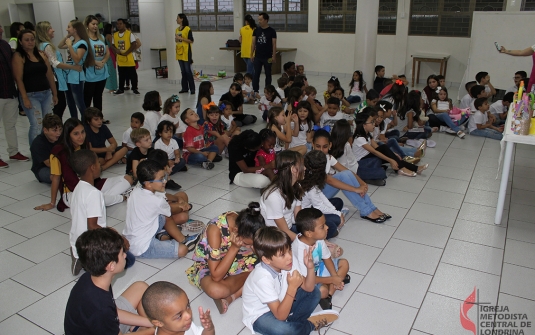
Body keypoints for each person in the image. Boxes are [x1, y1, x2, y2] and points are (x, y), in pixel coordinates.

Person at [241, 226, 339, 335]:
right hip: (261, 315)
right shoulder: (262, 278)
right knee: (284, 331)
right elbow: (280, 316)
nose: (289, 257)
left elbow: (309, 287)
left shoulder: (288, 263)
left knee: (315, 292)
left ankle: (294, 323)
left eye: (289, 250)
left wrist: (310, 267)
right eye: (282, 255)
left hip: (281, 304)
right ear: (266, 260)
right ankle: (310, 325)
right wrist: (292, 288)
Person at [64, 228, 154, 335]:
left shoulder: (94, 276)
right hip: (104, 324)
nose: (125, 255)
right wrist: (155, 329)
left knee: (140, 287)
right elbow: (107, 313)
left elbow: (116, 313)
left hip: (103, 323)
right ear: (111, 266)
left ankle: (142, 327)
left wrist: (151, 323)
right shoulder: (101, 308)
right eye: (122, 254)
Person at [34, 118, 132, 212]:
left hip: (92, 184)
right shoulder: (58, 152)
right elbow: (56, 178)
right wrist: (52, 203)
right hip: (72, 192)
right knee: (95, 198)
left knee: (128, 179)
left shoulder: (84, 146)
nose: (81, 136)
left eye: (83, 132)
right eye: (76, 134)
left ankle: (101, 199)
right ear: (68, 135)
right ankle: (114, 198)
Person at [186, 202, 265, 314]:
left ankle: (231, 297)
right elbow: (216, 276)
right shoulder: (215, 230)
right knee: (216, 290)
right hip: (210, 265)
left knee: (270, 264)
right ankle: (251, 278)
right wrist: (234, 248)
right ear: (235, 231)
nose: (250, 247)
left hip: (238, 258)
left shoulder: (247, 223)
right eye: (247, 244)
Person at [68, 149, 135, 275]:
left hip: (76, 240)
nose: (101, 166)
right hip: (90, 244)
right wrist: (118, 238)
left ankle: (78, 255)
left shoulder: (78, 188)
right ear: (92, 168)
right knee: (129, 259)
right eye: (99, 163)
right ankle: (86, 261)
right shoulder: (94, 193)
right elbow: (92, 226)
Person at [123, 160, 200, 259]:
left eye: (164, 177)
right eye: (161, 179)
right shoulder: (156, 201)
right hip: (142, 247)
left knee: (163, 214)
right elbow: (171, 211)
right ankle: (183, 240)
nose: (165, 181)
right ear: (148, 184)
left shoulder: (136, 191)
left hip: (131, 237)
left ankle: (163, 234)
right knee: (182, 250)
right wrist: (183, 207)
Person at [311, 131, 390, 223]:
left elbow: (347, 171)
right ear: (312, 144)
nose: (321, 150)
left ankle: (372, 208)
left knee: (346, 173)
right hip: (312, 198)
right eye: (318, 146)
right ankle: (366, 211)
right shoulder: (311, 160)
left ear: (330, 145)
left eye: (324, 146)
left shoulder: (328, 157)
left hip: (321, 192)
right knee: (343, 176)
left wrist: (362, 183)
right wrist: (355, 189)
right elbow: (329, 180)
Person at [293, 208, 350, 310]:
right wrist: (333, 279)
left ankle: (329, 293)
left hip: (318, 268)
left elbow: (327, 258)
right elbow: (307, 279)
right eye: (322, 227)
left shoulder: (318, 239)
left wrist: (334, 276)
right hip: (306, 279)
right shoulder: (299, 249)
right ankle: (330, 288)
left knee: (344, 263)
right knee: (322, 291)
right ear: (309, 233)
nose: (327, 227)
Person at [12, 29, 58, 145]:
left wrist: (54, 93)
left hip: (46, 93)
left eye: (32, 39)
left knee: (48, 123)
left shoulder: (41, 54)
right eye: (26, 40)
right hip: (30, 95)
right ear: (21, 42)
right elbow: (19, 79)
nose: (30, 42)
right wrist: (25, 98)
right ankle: (36, 152)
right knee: (37, 124)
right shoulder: (19, 56)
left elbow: (49, 75)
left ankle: (48, 147)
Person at [354, 110, 428, 178]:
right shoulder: (359, 138)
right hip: (362, 162)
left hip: (369, 158)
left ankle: (416, 168)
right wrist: (390, 160)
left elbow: (377, 147)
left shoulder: (368, 135)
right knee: (385, 150)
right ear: (364, 125)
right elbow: (374, 151)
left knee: (391, 154)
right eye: (372, 122)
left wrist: (392, 154)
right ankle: (402, 169)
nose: (374, 124)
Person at [36, 21, 82, 119]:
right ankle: (56, 127)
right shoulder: (47, 46)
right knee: (59, 105)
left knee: (58, 105)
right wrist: (73, 67)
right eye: (50, 29)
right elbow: (55, 63)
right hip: (55, 79)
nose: (53, 30)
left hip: (52, 78)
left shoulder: (41, 45)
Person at [0, 26, 29, 168]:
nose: (0, 29)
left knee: (10, 125)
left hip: (10, 92)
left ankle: (13, 151)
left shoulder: (5, 45)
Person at [260, 150, 304, 240]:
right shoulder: (273, 196)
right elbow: (284, 231)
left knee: (319, 228)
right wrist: (307, 242)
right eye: (302, 166)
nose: (305, 168)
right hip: (276, 236)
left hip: (289, 228)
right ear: (293, 169)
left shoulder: (296, 186)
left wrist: (315, 234)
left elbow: (299, 218)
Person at [142, 281, 215, 335]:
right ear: (159, 323)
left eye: (188, 306)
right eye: (179, 316)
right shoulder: (183, 323)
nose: (188, 316)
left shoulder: (184, 324)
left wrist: (209, 329)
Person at [58, 20, 94, 119]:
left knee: (79, 102)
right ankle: (74, 121)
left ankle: (85, 122)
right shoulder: (74, 42)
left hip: (76, 76)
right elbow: (60, 46)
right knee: (70, 102)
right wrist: (68, 36)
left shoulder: (82, 43)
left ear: (75, 29)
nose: (66, 29)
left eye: (69, 27)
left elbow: (77, 59)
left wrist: (69, 46)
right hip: (69, 75)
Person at [83, 15, 110, 114]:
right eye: (93, 24)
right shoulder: (84, 39)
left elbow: (107, 52)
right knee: (88, 97)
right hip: (89, 73)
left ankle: (98, 117)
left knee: (98, 96)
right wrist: (95, 62)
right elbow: (83, 56)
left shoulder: (101, 37)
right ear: (87, 24)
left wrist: (103, 62)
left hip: (102, 71)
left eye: (96, 24)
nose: (95, 26)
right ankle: (86, 118)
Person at [30, 114, 62, 183]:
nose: (58, 133)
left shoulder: (60, 137)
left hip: (60, 163)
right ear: (45, 130)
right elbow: (49, 164)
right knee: (57, 176)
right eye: (54, 130)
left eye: (60, 129)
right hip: (43, 168)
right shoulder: (38, 143)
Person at [111, 18, 139, 95]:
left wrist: (126, 52)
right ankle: (121, 88)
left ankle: (134, 88)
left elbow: (133, 44)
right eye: (117, 24)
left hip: (128, 58)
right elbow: (112, 45)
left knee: (132, 74)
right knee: (121, 74)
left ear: (124, 24)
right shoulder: (115, 35)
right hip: (120, 58)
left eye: (120, 24)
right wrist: (115, 50)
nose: (118, 25)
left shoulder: (129, 34)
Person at [251, 12, 277, 93]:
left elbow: (274, 44)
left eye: (261, 20)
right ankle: (255, 91)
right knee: (256, 74)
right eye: (258, 20)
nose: (259, 21)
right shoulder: (256, 30)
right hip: (258, 56)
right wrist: (251, 54)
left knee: (268, 74)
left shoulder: (272, 31)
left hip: (268, 56)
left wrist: (274, 56)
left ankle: (268, 90)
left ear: (266, 20)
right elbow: (253, 43)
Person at [176, 13, 195, 94]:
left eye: (178, 18)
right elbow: (176, 40)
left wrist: (182, 38)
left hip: (186, 52)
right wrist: (177, 39)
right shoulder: (177, 29)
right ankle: (184, 88)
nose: (176, 20)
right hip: (179, 52)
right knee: (183, 71)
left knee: (188, 71)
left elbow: (191, 40)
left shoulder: (187, 29)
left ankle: (192, 89)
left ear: (182, 19)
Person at [103, 23, 118, 93]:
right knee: (112, 71)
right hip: (111, 54)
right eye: (112, 28)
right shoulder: (109, 36)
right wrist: (116, 52)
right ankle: (112, 87)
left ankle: (110, 87)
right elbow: (112, 46)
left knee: (109, 71)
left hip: (106, 54)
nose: (113, 29)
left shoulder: (103, 36)